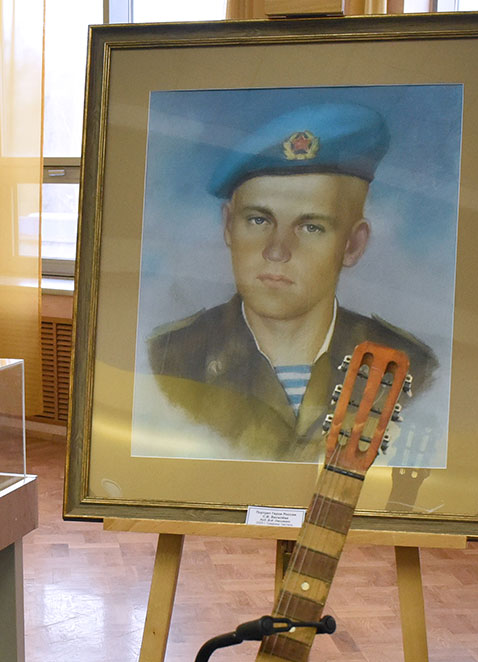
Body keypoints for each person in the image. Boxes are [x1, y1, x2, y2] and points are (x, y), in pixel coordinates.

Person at [145, 102, 437, 462]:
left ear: (353, 244)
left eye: (311, 227)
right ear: (228, 226)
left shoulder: (411, 368)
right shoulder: (168, 359)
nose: (277, 251)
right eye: (258, 220)